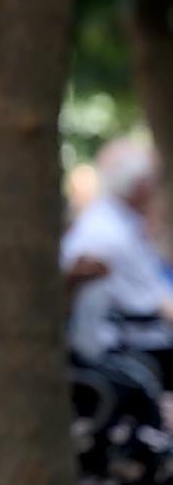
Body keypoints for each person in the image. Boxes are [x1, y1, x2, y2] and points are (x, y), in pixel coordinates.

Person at [62, 138, 173, 379]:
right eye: (152, 182)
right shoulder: (111, 233)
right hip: (130, 345)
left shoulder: (116, 223)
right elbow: (155, 304)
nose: (156, 190)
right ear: (139, 185)